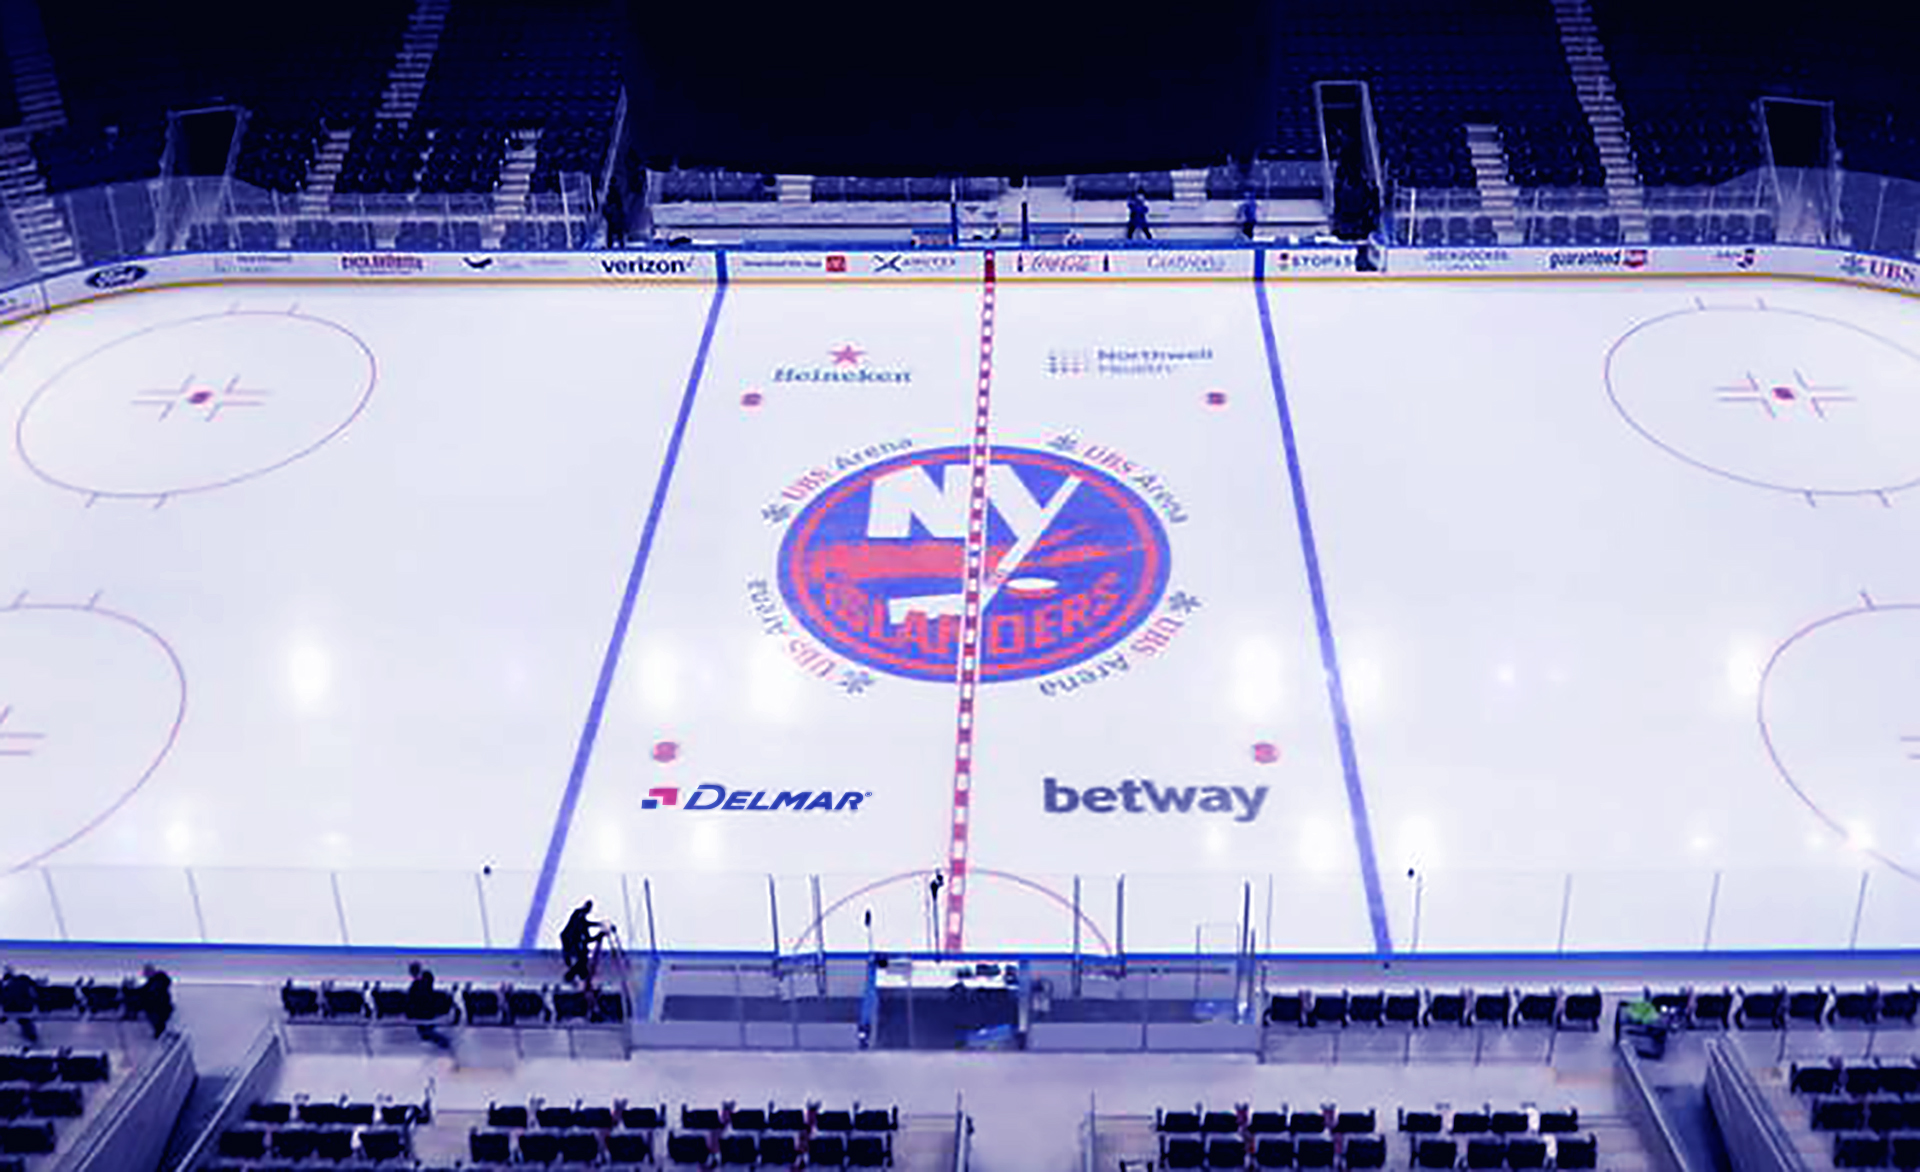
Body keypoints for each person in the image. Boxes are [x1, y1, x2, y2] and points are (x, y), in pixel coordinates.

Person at [406, 962, 452, 1051]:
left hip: (426, 1011)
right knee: (424, 1034)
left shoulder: (425, 978)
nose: (412, 975)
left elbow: (423, 993)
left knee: (426, 1032)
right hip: (421, 1012)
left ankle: (445, 1042)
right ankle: (443, 1042)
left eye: (413, 972)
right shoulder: (415, 984)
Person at [560, 901, 605, 985]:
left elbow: (587, 935)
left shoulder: (581, 919)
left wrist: (599, 927)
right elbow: (586, 935)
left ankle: (581, 974)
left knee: (583, 956)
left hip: (572, 939)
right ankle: (575, 975)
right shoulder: (578, 916)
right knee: (582, 956)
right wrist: (599, 933)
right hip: (569, 939)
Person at [1, 967, 38, 1043]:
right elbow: (33, 993)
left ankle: (31, 1035)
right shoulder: (23, 980)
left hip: (13, 1007)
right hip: (21, 1007)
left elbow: (33, 993)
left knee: (24, 1021)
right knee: (24, 1021)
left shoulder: (6, 984)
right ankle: (31, 1035)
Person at [138, 965, 172, 1038]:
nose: (146, 976)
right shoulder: (151, 982)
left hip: (161, 1007)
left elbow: (150, 992)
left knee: (155, 1016)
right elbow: (142, 991)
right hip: (157, 1006)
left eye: (147, 973)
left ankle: (160, 1031)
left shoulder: (158, 980)